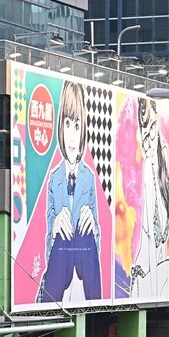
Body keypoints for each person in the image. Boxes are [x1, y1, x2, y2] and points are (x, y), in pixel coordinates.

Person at [37, 80, 103, 302]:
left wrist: (92, 224)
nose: (72, 136)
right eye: (67, 124)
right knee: (61, 233)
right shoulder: (54, 179)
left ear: (84, 129)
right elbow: (47, 241)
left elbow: (99, 238)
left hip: (85, 254)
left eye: (77, 125)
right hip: (62, 257)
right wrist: (55, 226)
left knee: (86, 234)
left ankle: (97, 303)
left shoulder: (89, 178)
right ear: (60, 127)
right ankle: (46, 306)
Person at [131, 97, 169, 297]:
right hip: (144, 271)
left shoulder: (162, 164)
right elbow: (148, 236)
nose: (147, 142)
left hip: (154, 270)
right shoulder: (147, 172)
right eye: (144, 133)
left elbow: (163, 241)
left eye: (151, 131)